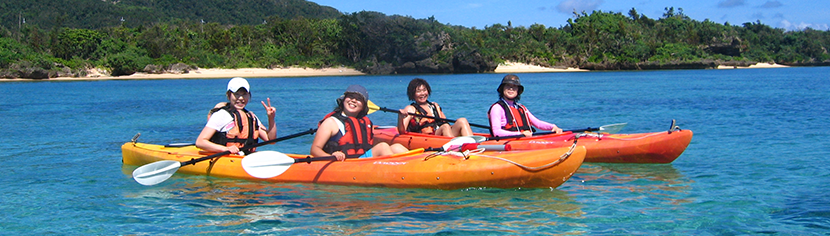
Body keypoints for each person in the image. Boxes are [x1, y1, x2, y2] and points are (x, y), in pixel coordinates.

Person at [311, 85, 409, 161]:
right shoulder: (331, 122)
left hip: (361, 160)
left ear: (363, 107)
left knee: (397, 147)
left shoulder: (364, 122)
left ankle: (416, 166)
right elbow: (314, 149)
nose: (353, 100)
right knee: (382, 147)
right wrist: (331, 156)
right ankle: (399, 172)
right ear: (343, 100)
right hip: (345, 162)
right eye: (350, 97)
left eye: (358, 99)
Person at [196, 77, 277, 154]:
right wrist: (226, 149)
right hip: (225, 158)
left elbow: (271, 140)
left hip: (244, 157)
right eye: (236, 94)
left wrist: (271, 118)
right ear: (229, 95)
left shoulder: (251, 117)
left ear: (249, 95)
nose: (241, 98)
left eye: (244, 94)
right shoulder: (221, 115)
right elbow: (200, 142)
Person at [487, 74, 563, 137]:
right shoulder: (497, 108)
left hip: (524, 141)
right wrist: (520, 134)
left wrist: (553, 127)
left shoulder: (521, 108)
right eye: (508, 86)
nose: (511, 89)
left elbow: (538, 123)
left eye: (514, 86)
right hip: (508, 143)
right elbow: (496, 132)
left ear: (518, 90)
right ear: (502, 89)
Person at [397, 78, 473, 137]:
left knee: (462, 120)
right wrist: (400, 117)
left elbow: (445, 123)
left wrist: (456, 127)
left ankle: (473, 145)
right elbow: (402, 132)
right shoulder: (411, 109)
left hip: (442, 134)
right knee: (445, 127)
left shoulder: (434, 106)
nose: (422, 93)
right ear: (413, 94)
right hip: (427, 138)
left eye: (424, 90)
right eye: (418, 91)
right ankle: (455, 147)